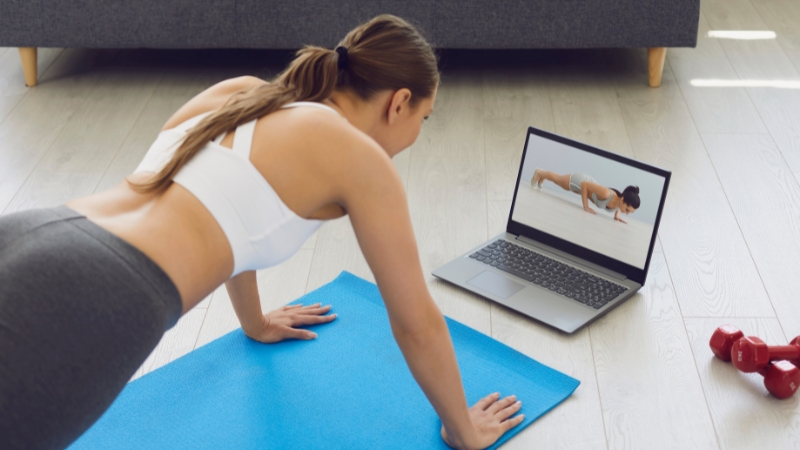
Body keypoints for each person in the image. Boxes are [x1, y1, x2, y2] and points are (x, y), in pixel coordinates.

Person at [0, 15, 524, 450]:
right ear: (399, 102)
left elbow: (226, 208)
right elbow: (417, 324)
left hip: (40, 228)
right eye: (425, 118)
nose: (416, 133)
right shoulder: (358, 157)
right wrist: (463, 429)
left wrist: (253, 321)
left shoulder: (245, 93)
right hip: (99, 293)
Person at [531, 168, 640, 223]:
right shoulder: (607, 194)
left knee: (558, 182)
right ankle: (540, 173)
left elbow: (618, 207)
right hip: (580, 181)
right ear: (622, 200)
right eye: (627, 210)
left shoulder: (619, 204)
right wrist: (586, 206)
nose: (627, 213)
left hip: (585, 189)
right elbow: (584, 185)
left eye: (629, 211)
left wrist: (617, 216)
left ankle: (543, 176)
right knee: (558, 180)